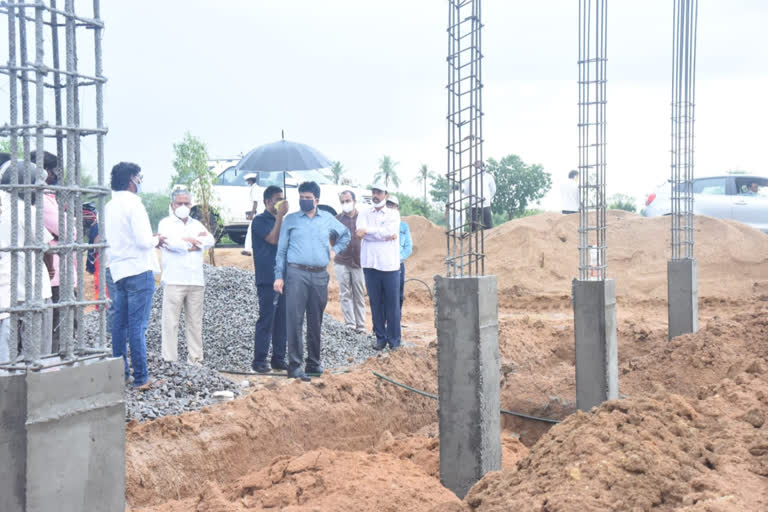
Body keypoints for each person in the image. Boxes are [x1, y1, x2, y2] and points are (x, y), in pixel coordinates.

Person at [274, 181, 349, 381]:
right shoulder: (290, 220)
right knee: (294, 320)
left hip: (319, 275)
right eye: (301, 197)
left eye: (308, 198)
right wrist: (279, 276)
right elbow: (281, 251)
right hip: (296, 273)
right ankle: (295, 366)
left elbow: (346, 235)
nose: (304, 201)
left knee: (315, 320)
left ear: (317, 199)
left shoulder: (327, 219)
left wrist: (335, 250)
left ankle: (314, 363)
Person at [104, 162, 164, 388]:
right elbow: (142, 241)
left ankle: (122, 374)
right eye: (139, 178)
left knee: (120, 325)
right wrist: (156, 239)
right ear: (131, 179)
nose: (139, 182)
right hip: (139, 270)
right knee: (137, 326)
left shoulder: (110, 206)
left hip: (119, 271)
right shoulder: (135, 204)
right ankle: (142, 378)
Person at [0, 159, 54, 357]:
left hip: (5, 293)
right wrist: (51, 268)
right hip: (32, 288)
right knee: (35, 355)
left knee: (6, 355)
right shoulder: (26, 210)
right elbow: (46, 248)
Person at [157, 188, 214, 365]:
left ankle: (195, 360)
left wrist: (188, 241)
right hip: (174, 280)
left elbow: (210, 240)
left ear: (191, 204)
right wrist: (194, 243)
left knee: (195, 323)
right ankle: (169, 361)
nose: (183, 206)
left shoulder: (196, 224)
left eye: (186, 203)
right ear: (172, 205)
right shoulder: (165, 223)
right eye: (179, 203)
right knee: (170, 323)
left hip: (195, 280)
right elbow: (170, 243)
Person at [250, 185, 289, 373]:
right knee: (267, 319)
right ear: (267, 202)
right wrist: (280, 216)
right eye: (277, 199)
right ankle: (259, 360)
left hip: (284, 276)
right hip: (267, 277)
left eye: (282, 198)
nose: (281, 202)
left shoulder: (285, 221)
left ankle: (278, 359)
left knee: (283, 320)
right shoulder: (259, 221)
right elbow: (273, 239)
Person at [357, 184, 401, 351]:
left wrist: (368, 232)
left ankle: (394, 340)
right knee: (375, 303)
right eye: (373, 192)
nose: (375, 195)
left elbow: (390, 231)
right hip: (370, 265)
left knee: (392, 304)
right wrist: (382, 234)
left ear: (386, 195)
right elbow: (361, 232)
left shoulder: (394, 214)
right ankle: (380, 338)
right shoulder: (364, 213)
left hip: (389, 266)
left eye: (379, 192)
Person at [333, 190, 366, 333]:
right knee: (345, 293)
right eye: (343, 201)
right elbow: (332, 238)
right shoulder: (337, 219)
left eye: (348, 200)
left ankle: (361, 325)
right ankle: (350, 324)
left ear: (354, 201)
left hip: (359, 262)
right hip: (342, 261)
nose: (345, 204)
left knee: (359, 293)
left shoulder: (363, 218)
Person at [385, 196, 412, 313]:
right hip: (383, 265)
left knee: (398, 295)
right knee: (382, 295)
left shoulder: (403, 226)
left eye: (393, 205)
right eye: (388, 205)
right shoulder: (381, 224)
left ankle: (396, 321)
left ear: (397, 208)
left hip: (398, 265)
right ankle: (382, 322)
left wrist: (397, 259)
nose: (390, 207)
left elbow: (408, 248)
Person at [242, 172, 259, 256]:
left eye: (247, 181)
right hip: (257, 213)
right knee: (252, 231)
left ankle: (248, 249)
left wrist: (252, 214)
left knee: (250, 231)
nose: (247, 182)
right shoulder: (255, 188)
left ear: (251, 180)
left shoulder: (255, 189)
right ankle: (248, 249)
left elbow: (255, 203)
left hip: (257, 213)